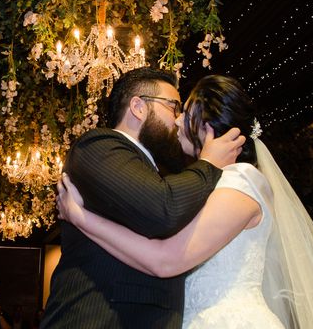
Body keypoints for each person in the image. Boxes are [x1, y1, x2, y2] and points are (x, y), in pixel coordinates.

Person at [57, 74, 313, 328]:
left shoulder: (243, 181)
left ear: (207, 125)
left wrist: (83, 219)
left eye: (184, 111)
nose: (177, 119)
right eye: (175, 107)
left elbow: (165, 259)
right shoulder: (201, 183)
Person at [40, 67, 245, 328]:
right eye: (173, 106)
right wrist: (209, 163)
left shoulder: (160, 174)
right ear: (138, 107)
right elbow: (163, 210)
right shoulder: (99, 146)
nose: (180, 119)